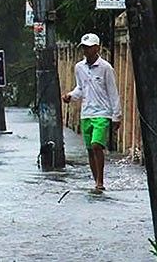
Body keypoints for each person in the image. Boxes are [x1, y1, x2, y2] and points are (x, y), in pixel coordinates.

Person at [62, 33, 121, 194]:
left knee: (96, 145)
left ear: (97, 48)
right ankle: (96, 181)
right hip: (86, 113)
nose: (86, 50)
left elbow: (113, 92)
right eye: (84, 47)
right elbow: (80, 89)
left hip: (102, 113)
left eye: (89, 47)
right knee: (89, 149)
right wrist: (70, 96)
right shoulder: (79, 67)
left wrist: (117, 116)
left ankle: (101, 180)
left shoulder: (106, 68)